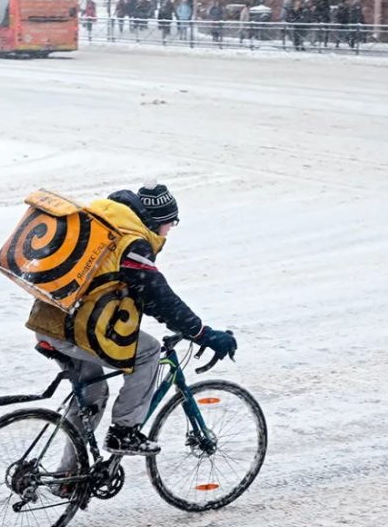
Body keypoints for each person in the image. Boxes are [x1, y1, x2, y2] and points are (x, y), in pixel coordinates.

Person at [29, 184, 238, 458]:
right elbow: (156, 294)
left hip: (49, 320)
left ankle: (68, 481)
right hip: (77, 328)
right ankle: (124, 432)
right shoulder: (133, 242)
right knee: (148, 351)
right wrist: (202, 333)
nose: (169, 231)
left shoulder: (106, 222)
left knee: (92, 396)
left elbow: (142, 295)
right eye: (170, 224)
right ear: (158, 221)